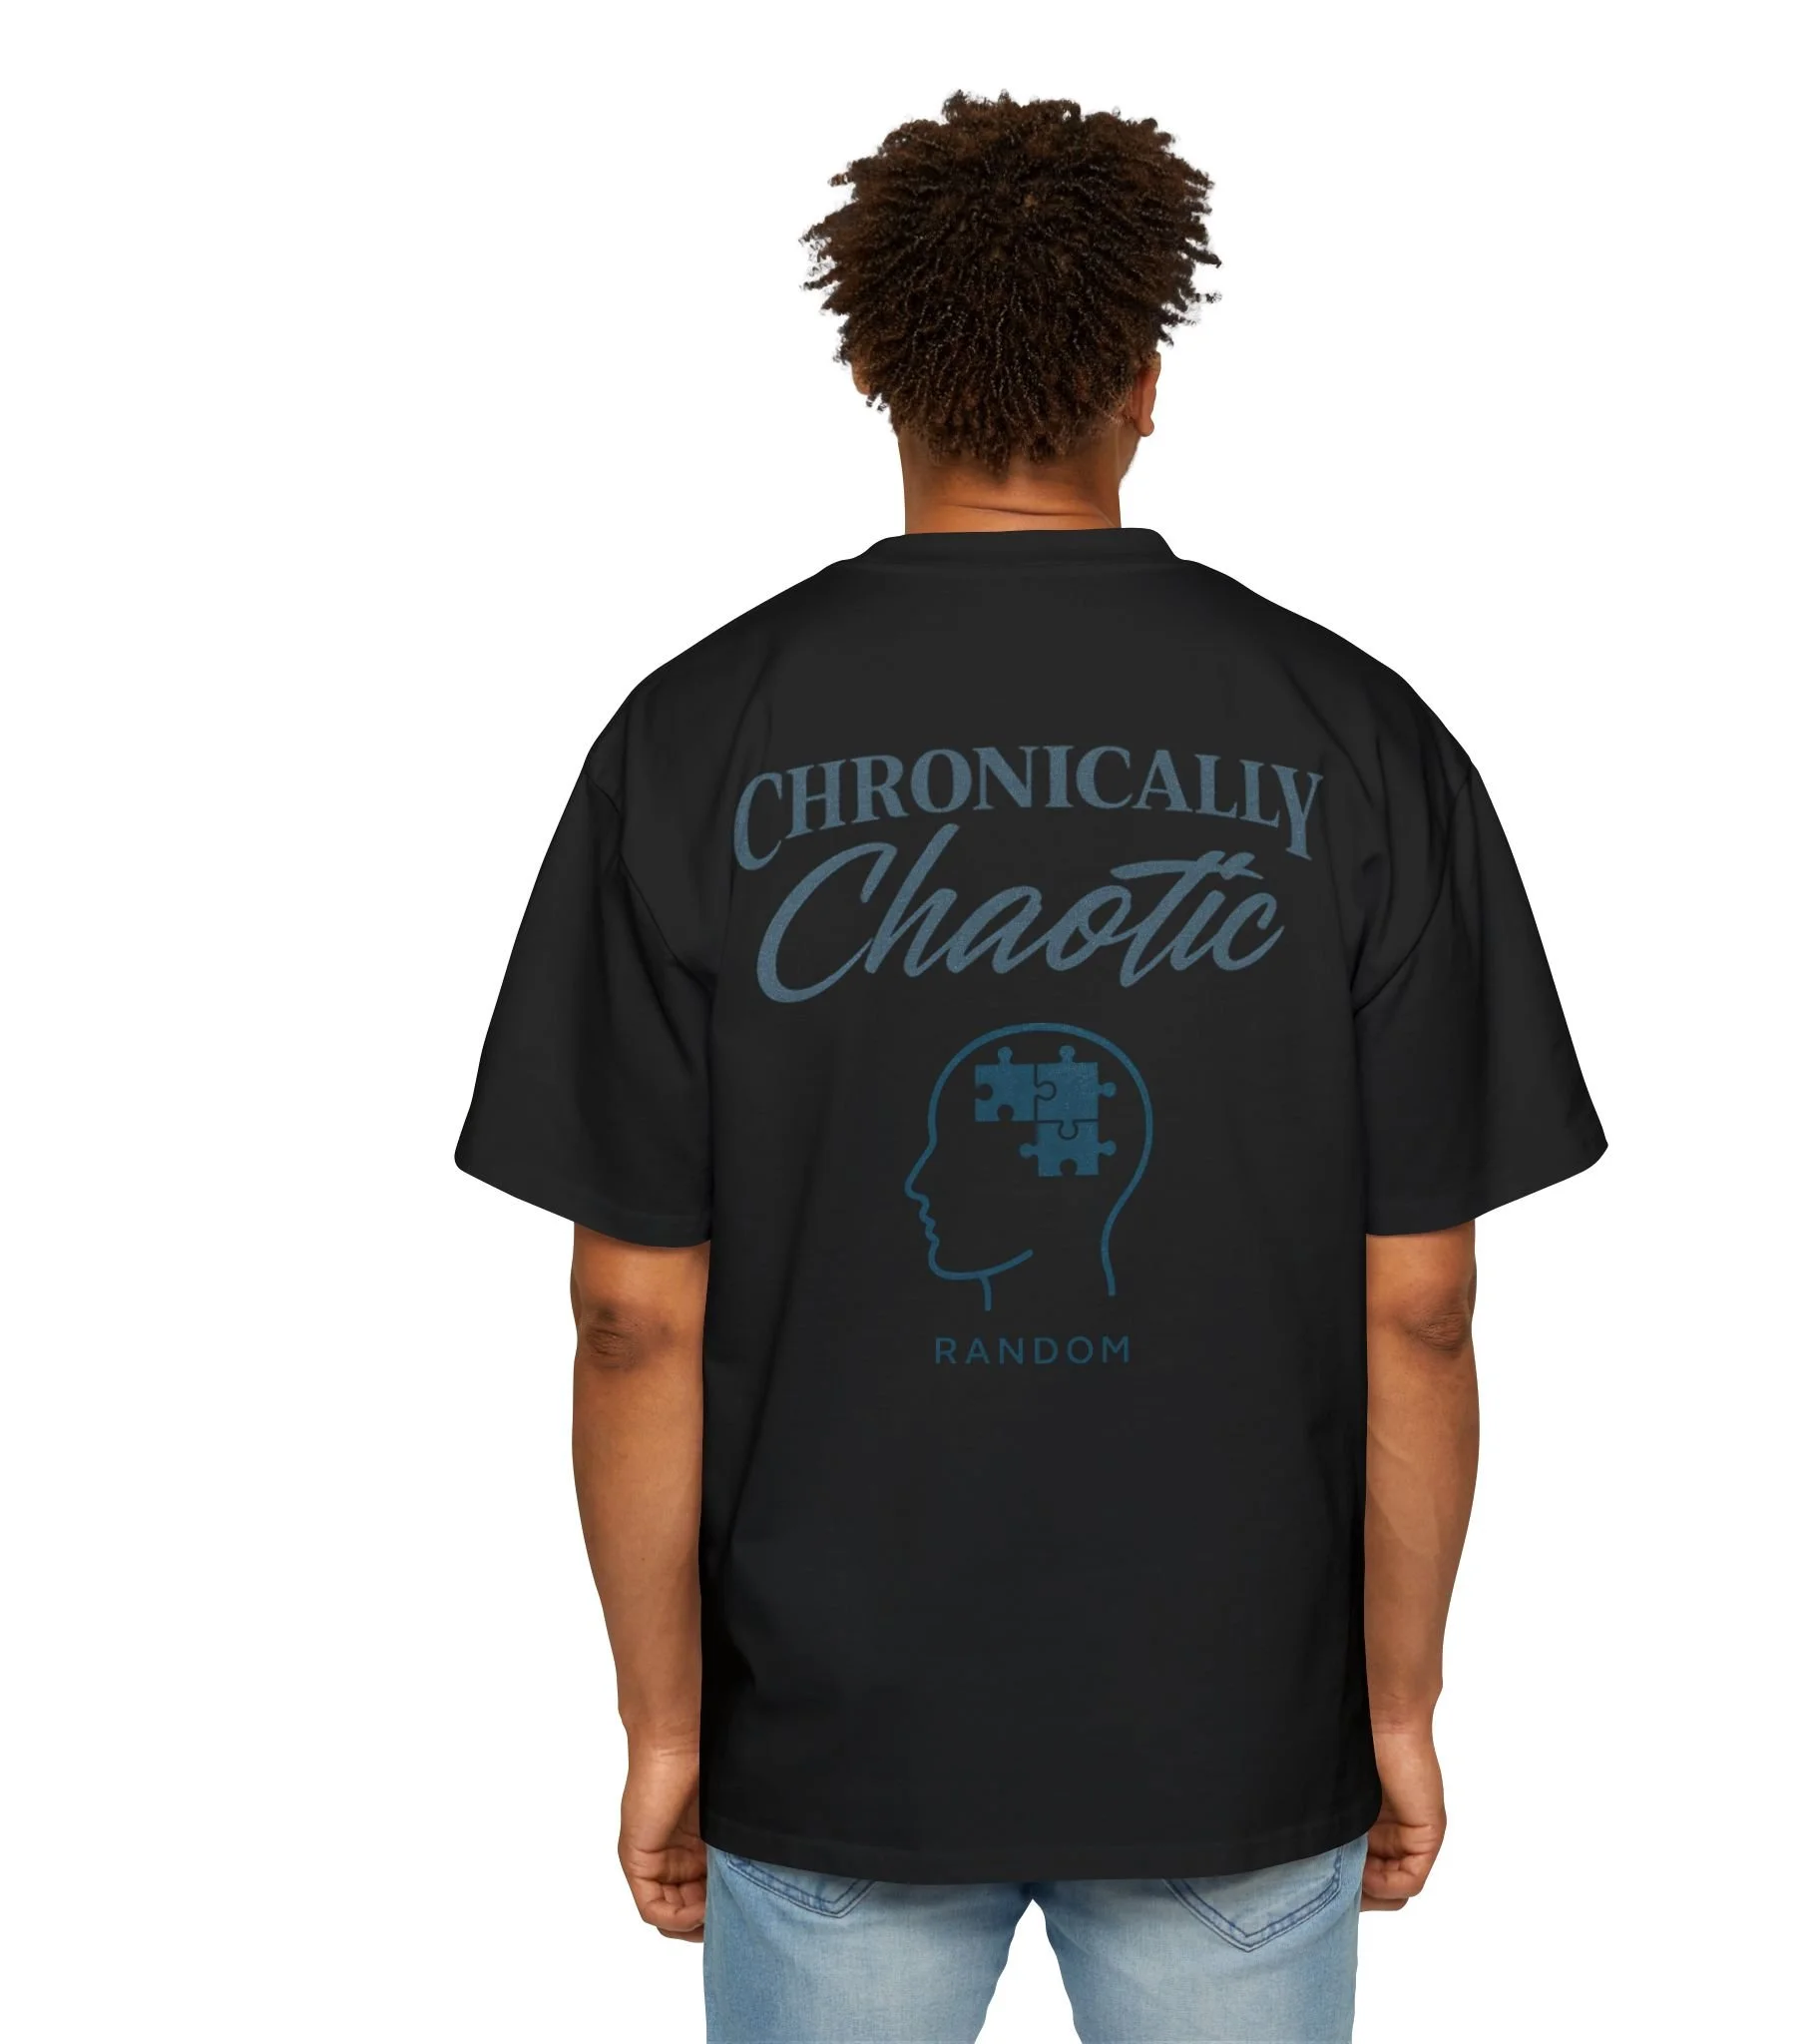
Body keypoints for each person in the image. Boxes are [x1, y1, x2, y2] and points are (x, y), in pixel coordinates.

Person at [457, 90, 1603, 2044]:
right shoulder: (1357, 739)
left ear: (872, 371)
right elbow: (1420, 1304)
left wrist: (665, 1727)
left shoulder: (694, 739)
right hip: (1234, 1741)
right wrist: (1398, 1704)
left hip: (833, 1745)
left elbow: (631, 1315)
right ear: (1148, 383)